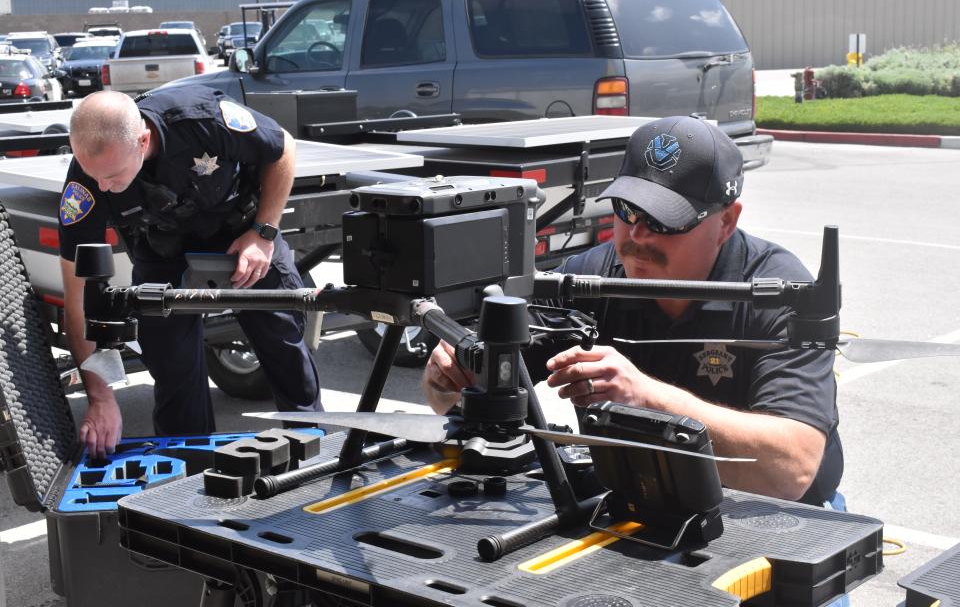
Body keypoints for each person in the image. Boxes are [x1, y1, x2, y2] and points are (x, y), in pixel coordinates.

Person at [422, 115, 844, 508]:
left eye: (665, 220)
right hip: (638, 496)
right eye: (626, 210)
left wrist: (646, 396)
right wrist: (452, 378)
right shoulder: (590, 275)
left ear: (726, 223)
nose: (637, 236)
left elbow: (792, 470)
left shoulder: (779, 291)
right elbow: (476, 394)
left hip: (774, 515)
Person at [59, 86, 323, 458]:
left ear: (143, 140)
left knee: (284, 347)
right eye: (94, 177)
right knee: (173, 371)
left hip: (243, 235)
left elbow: (283, 148)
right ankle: (189, 473)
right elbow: (77, 297)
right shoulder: (88, 178)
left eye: (113, 177)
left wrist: (264, 232)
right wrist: (100, 398)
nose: (103, 187)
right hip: (163, 252)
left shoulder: (202, 119)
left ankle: (315, 450)